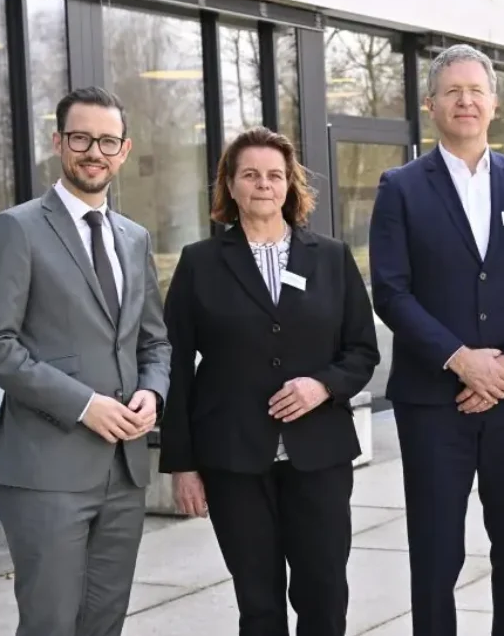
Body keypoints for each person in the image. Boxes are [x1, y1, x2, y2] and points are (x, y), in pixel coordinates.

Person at [368, 43, 504, 636]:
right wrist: (461, 361)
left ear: (494, 103)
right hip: (434, 404)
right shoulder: (400, 187)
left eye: (475, 90)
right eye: (452, 91)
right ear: (431, 104)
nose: (465, 101)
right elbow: (391, 292)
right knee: (435, 555)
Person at [0, 86, 172, 636]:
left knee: (104, 621)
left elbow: (153, 341)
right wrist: (84, 406)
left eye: (107, 141)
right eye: (81, 138)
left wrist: (153, 392)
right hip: (45, 469)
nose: (94, 152)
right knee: (51, 623)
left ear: (124, 151)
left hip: (125, 469)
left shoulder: (134, 237)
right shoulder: (18, 228)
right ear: (58, 142)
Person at [158, 126, 380, 636]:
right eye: (251, 174)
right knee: (257, 603)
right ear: (230, 186)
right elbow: (174, 364)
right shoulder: (200, 263)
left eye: (275, 175)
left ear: (290, 185)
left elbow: (362, 350)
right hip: (233, 459)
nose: (264, 184)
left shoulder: (330, 257)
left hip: (319, 456)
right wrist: (182, 464)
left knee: (323, 595)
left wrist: (321, 386)